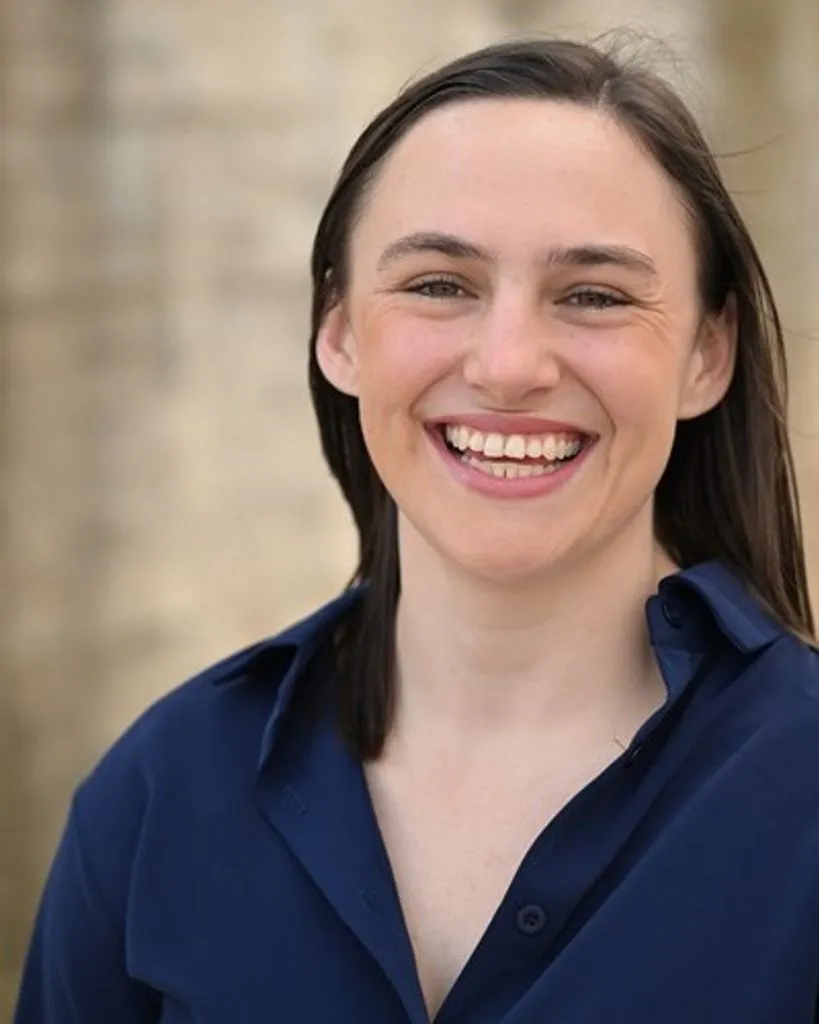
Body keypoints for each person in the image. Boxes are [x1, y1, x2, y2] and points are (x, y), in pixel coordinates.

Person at [14, 36, 819, 1024]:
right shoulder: (160, 791)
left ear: (708, 352)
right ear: (340, 330)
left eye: (595, 295)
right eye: (440, 283)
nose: (509, 362)